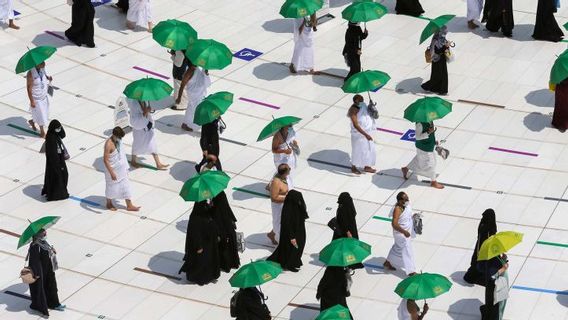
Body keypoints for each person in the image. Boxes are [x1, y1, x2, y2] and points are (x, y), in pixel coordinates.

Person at [180, 201, 221, 285]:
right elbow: (195, 233)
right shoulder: (195, 217)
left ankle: (209, 276)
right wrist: (198, 246)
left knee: (208, 260)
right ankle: (199, 278)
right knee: (201, 262)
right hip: (202, 244)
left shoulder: (205, 213)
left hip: (209, 242)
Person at [267, 189, 308, 272]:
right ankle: (289, 264)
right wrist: (292, 237)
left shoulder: (296, 207)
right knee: (293, 248)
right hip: (291, 235)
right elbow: (287, 226)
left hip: (299, 233)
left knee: (298, 248)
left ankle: (294, 261)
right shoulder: (288, 211)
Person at [28, 229, 66, 316]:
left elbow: (47, 252)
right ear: (38, 234)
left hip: (49, 269)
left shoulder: (43, 242)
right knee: (41, 289)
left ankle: (55, 304)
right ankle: (40, 306)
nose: (45, 233)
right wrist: (37, 274)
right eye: (43, 232)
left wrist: (52, 250)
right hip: (40, 273)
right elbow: (34, 261)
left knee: (52, 286)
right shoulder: (35, 245)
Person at [103, 127, 140, 211]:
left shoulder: (118, 140)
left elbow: (121, 153)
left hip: (122, 170)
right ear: (114, 135)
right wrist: (112, 173)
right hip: (112, 170)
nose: (120, 139)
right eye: (119, 137)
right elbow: (105, 160)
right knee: (111, 188)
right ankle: (108, 203)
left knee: (126, 186)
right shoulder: (108, 144)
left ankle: (129, 205)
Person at [127, 99, 169, 170]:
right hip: (139, 127)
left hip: (146, 124)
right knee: (137, 144)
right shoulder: (134, 104)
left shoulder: (145, 100)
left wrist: (148, 110)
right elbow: (136, 116)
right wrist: (146, 111)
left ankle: (158, 163)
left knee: (152, 143)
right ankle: (133, 161)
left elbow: (145, 113)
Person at [401, 121, 444, 189]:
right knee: (431, 164)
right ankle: (433, 182)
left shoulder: (429, 120)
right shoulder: (420, 124)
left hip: (428, 145)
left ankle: (406, 168)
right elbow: (418, 137)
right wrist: (429, 132)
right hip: (424, 147)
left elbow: (430, 133)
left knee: (419, 158)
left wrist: (433, 141)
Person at [384, 192, 416, 276]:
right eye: (405, 200)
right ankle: (411, 271)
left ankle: (387, 262)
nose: (407, 201)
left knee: (397, 248)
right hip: (401, 233)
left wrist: (415, 216)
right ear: (399, 201)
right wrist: (404, 232)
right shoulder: (397, 209)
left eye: (407, 199)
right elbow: (394, 224)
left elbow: (409, 215)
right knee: (407, 249)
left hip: (406, 231)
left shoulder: (407, 206)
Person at [464, 209, 497, 285]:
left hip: (482, 246)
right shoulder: (489, 224)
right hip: (483, 246)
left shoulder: (484, 224)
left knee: (480, 263)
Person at [331, 192, 364, 269]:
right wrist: (348, 232)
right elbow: (344, 221)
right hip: (349, 231)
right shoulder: (347, 207)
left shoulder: (342, 208)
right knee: (349, 247)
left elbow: (342, 221)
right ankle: (351, 263)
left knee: (342, 247)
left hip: (344, 231)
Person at [176, 62, 211, 131]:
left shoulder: (199, 68)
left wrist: (206, 73)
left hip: (199, 91)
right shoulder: (189, 72)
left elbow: (203, 77)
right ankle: (186, 124)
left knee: (192, 107)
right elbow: (182, 85)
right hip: (193, 93)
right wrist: (179, 97)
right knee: (193, 108)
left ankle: (186, 123)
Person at [211, 191, 240, 272]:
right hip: (226, 223)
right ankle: (231, 262)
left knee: (223, 244)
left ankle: (224, 264)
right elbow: (227, 207)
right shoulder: (221, 194)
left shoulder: (217, 197)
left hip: (221, 224)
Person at [348, 94, 376, 174]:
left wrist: (371, 105)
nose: (362, 101)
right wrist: (365, 135)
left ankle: (367, 166)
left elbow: (368, 113)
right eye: (360, 100)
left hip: (368, 131)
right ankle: (353, 167)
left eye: (363, 100)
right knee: (357, 151)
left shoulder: (363, 105)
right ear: (356, 101)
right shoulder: (353, 110)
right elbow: (356, 125)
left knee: (369, 150)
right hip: (358, 135)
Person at [42, 120, 69, 201]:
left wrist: (60, 128)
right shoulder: (50, 138)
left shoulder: (55, 133)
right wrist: (58, 166)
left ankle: (61, 192)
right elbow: (52, 154)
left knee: (63, 175)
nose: (59, 129)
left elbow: (63, 135)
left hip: (59, 158)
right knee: (57, 177)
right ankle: (56, 195)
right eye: (57, 128)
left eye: (59, 128)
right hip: (54, 162)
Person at [421, 26, 449, 96]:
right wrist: (445, 46)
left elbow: (444, 48)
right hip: (437, 60)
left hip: (442, 59)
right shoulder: (435, 40)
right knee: (437, 75)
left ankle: (442, 90)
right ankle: (427, 86)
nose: (445, 33)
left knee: (443, 75)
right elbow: (433, 51)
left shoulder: (443, 39)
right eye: (444, 31)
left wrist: (447, 45)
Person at [479, 254, 509, 319]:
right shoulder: (491, 259)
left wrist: (503, 259)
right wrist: (503, 268)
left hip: (500, 285)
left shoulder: (495, 256)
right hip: (497, 288)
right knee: (498, 306)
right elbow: (492, 276)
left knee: (501, 304)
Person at [26, 62, 51, 138]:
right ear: (36, 64)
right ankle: (42, 132)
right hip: (36, 98)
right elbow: (29, 88)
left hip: (43, 95)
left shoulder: (42, 69)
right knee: (41, 115)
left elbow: (44, 76)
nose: (44, 63)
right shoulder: (30, 73)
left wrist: (48, 78)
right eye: (41, 62)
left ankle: (32, 121)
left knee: (45, 113)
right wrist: (32, 101)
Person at [267, 164, 290, 245]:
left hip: (284, 204)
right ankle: (281, 244)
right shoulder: (276, 182)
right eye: (289, 170)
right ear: (285, 172)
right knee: (279, 223)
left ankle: (271, 234)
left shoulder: (284, 178)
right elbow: (274, 198)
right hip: (278, 207)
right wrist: (288, 198)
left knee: (284, 222)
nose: (290, 171)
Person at [271, 125, 298, 189]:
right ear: (284, 127)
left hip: (289, 157)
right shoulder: (277, 136)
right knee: (283, 173)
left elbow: (292, 142)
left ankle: (272, 185)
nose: (291, 127)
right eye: (289, 125)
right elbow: (274, 149)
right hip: (280, 159)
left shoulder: (291, 133)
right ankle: (287, 187)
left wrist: (295, 144)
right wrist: (284, 151)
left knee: (286, 172)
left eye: (291, 125)